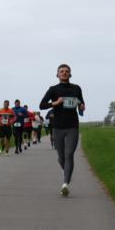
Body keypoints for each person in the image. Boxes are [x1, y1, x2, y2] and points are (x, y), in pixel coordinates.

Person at [39, 64, 86, 196]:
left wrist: (81, 108)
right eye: (62, 71)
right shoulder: (53, 90)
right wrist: (55, 103)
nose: (64, 73)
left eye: (67, 71)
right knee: (61, 158)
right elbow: (42, 105)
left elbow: (81, 108)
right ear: (57, 75)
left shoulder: (76, 89)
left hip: (72, 127)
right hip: (58, 127)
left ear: (70, 74)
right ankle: (67, 173)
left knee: (69, 154)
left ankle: (65, 184)